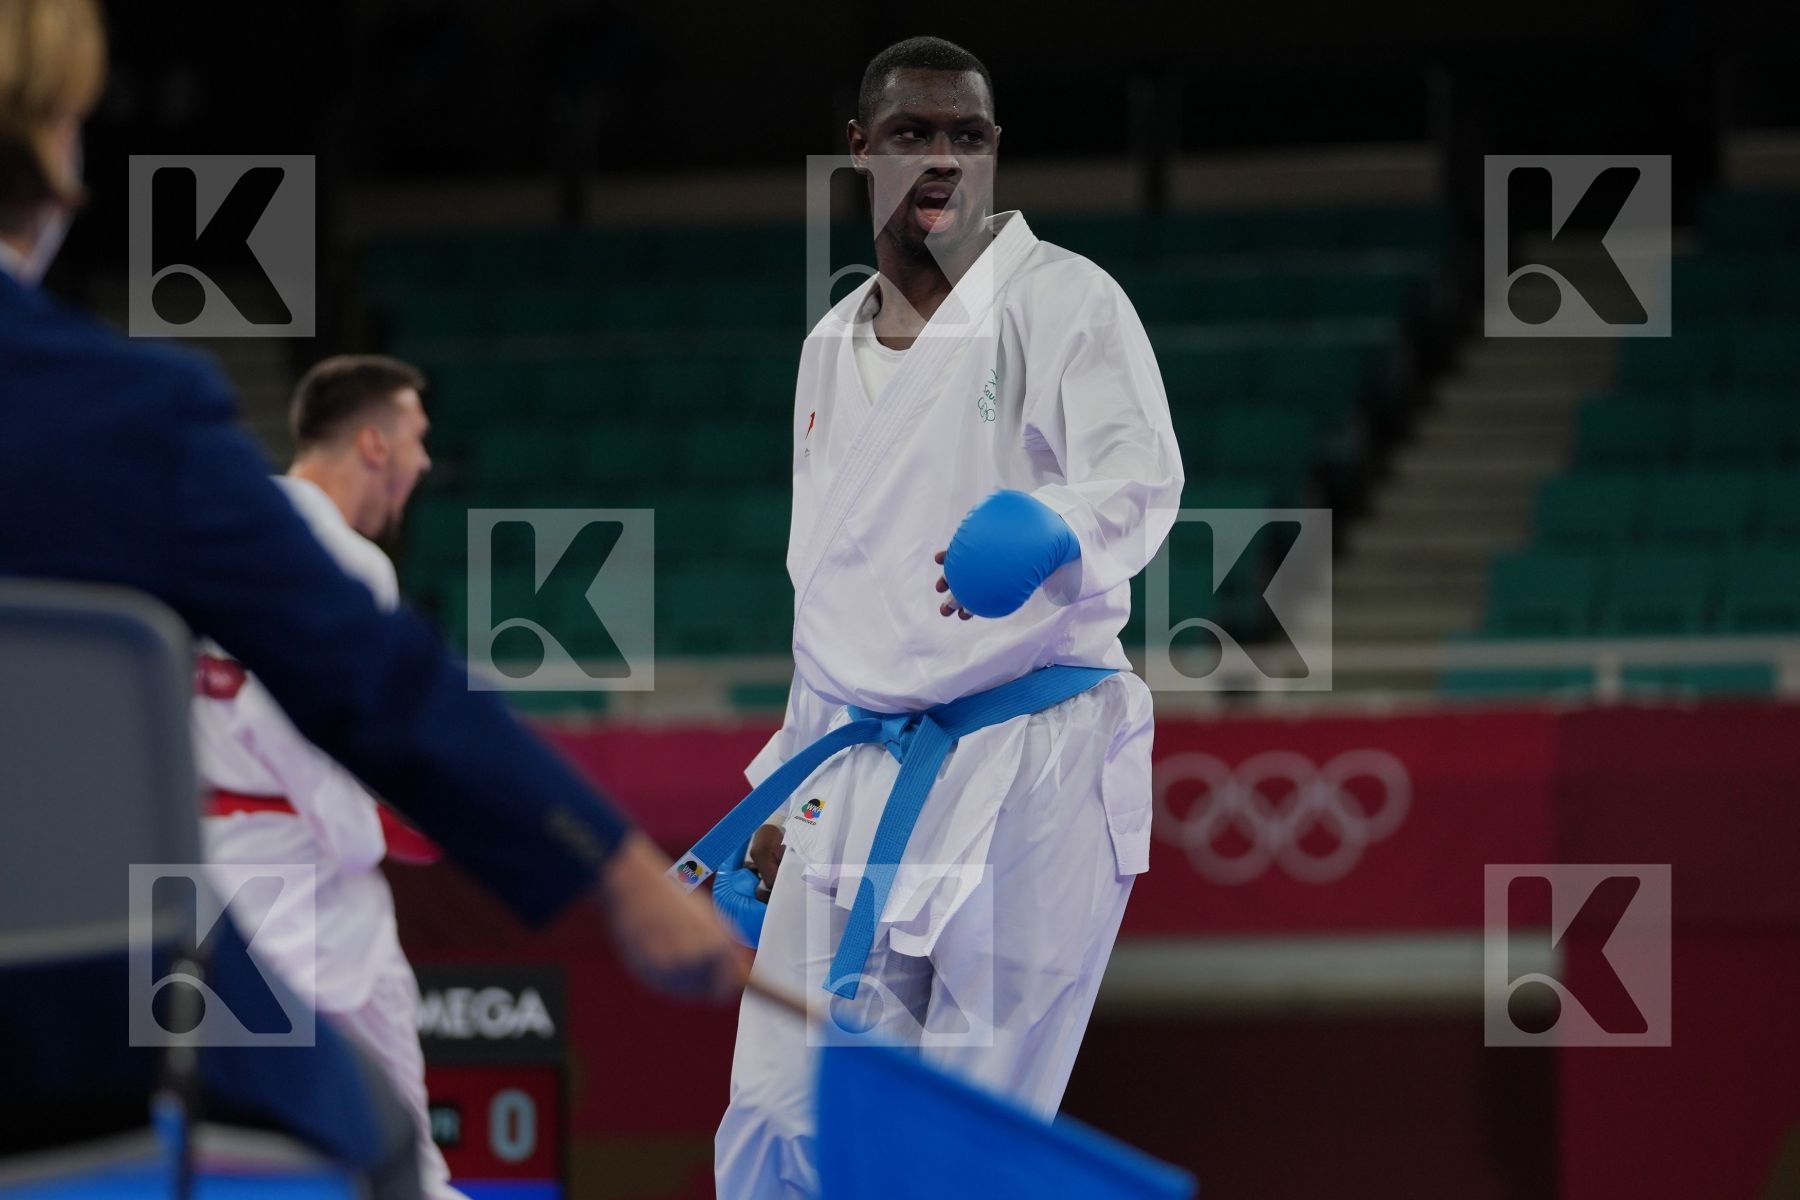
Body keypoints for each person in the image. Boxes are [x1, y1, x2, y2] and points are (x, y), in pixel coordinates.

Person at [0, 0, 745, 1180]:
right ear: (50, 145)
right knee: (377, 1153)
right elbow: (378, 688)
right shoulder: (124, 422)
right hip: (69, 1003)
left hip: (180, 910)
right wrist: (614, 868)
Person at [709, 35, 1184, 1198]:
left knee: (966, 1134)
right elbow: (824, 586)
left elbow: (1140, 476)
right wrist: (784, 778)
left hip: (1030, 756)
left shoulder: (1065, 297)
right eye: (914, 134)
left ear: (995, 155)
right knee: (777, 1115)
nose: (942, 158)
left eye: (967, 136)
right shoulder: (830, 347)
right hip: (857, 761)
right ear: (859, 152)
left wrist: (1053, 529)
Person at [196, 355, 466, 1198]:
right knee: (403, 1164)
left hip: (202, 872)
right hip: (309, 879)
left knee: (227, 1152)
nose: (425, 463)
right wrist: (392, 824)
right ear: (374, 443)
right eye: (417, 439)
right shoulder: (347, 561)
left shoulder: (221, 527)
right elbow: (294, 728)